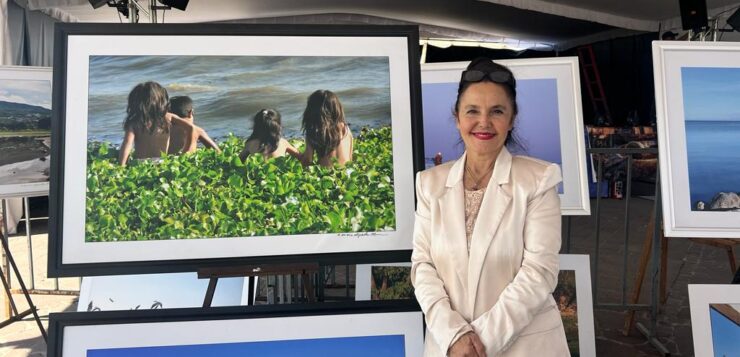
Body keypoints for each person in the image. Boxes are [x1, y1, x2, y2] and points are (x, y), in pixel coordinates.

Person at [410, 57, 569, 357]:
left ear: (511, 119)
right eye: (472, 111)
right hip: (448, 346)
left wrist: (478, 343)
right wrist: (453, 335)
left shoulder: (538, 180)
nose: (484, 122)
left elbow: (539, 272)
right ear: (457, 117)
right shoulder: (429, 184)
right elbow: (422, 266)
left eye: (497, 111)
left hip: (525, 346)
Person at [118, 81, 198, 166]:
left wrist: (121, 166)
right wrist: (186, 152)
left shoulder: (135, 122)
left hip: (141, 164)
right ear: (161, 100)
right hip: (162, 163)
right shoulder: (168, 117)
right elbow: (191, 128)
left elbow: (127, 144)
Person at [300, 90, 353, 167]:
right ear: (336, 108)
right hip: (347, 172)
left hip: (327, 176)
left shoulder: (314, 132)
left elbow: (308, 160)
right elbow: (350, 157)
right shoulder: (347, 129)